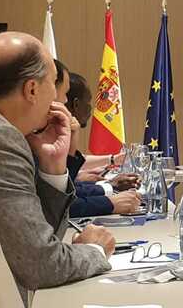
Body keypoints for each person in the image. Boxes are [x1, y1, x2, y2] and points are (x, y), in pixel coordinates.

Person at [0, 32, 114, 306]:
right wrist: (95, 250)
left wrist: (53, 165)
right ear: (32, 90)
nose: (59, 99)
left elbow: (31, 241)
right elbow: (40, 264)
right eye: (53, 83)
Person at [51, 62, 139, 218]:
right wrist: (110, 202)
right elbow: (60, 204)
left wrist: (107, 186)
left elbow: (66, 191)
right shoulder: (38, 139)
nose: (64, 100)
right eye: (63, 94)